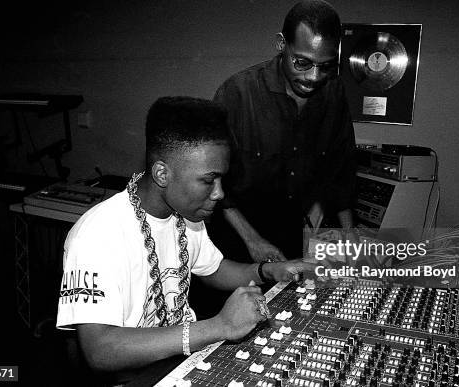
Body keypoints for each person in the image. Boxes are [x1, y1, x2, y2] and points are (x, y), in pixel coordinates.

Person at [56, 96, 315, 381]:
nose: (219, 193)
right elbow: (100, 350)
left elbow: (214, 269)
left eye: (221, 180)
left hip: (181, 363)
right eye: (208, 180)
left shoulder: (185, 213)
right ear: (162, 174)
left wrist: (268, 271)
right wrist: (218, 327)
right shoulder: (97, 234)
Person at [206, 0, 356, 267]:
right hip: (238, 240)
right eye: (302, 63)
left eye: (325, 66)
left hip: (294, 238)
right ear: (280, 44)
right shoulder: (237, 94)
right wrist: (253, 240)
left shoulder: (334, 92)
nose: (313, 76)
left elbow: (340, 168)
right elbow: (214, 184)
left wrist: (349, 234)